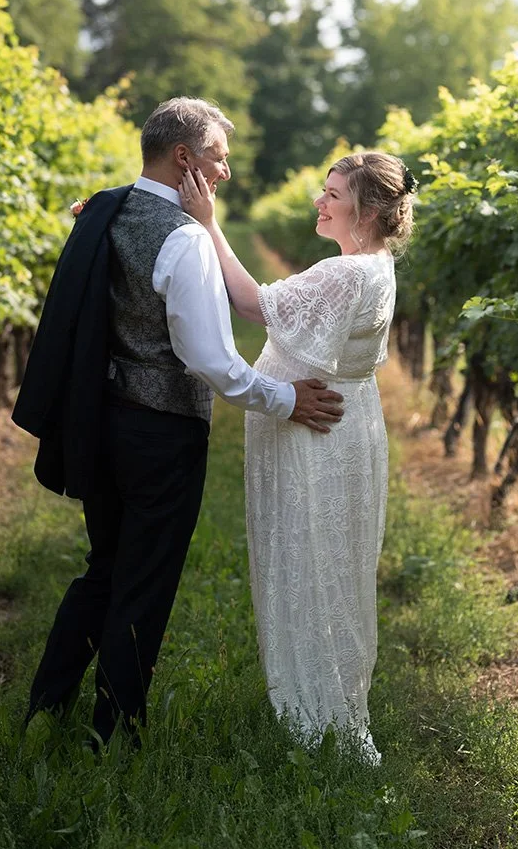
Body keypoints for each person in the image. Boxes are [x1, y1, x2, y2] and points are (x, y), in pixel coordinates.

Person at [12, 96, 343, 745]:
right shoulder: (184, 240)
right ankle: (115, 734)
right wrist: (284, 398)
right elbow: (210, 361)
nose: (224, 172)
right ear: (184, 157)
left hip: (97, 418)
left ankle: (44, 708)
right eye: (218, 158)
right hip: (161, 434)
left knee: (104, 565)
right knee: (144, 579)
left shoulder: (102, 209)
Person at [178, 150, 415, 763]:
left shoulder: (348, 274)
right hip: (343, 423)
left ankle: (320, 717)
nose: (320, 201)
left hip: (317, 433)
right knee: (333, 562)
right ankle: (329, 700)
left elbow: (256, 305)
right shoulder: (373, 265)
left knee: (312, 559)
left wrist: (208, 223)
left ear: (364, 209)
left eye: (333, 194)